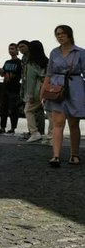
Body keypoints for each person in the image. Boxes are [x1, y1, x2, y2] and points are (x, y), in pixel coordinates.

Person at [43, 25, 85, 167]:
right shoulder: (54, 52)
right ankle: (55, 156)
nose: (59, 36)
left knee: (74, 123)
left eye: (62, 33)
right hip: (57, 88)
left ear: (69, 35)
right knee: (58, 123)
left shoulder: (80, 52)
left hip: (75, 87)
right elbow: (49, 73)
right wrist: (43, 91)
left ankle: (74, 154)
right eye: (57, 34)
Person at [19, 40, 48, 144]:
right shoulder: (45, 60)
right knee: (49, 112)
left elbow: (30, 80)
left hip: (36, 90)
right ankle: (49, 135)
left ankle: (34, 133)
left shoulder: (31, 63)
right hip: (46, 88)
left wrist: (29, 94)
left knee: (28, 110)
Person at [0, 43, 22, 134]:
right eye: (9, 49)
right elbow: (3, 75)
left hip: (14, 89)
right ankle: (2, 127)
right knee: (3, 109)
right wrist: (1, 72)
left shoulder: (19, 63)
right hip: (5, 87)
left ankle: (13, 128)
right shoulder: (7, 62)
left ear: (17, 50)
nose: (11, 51)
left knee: (13, 109)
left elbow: (21, 75)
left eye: (13, 49)